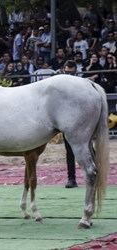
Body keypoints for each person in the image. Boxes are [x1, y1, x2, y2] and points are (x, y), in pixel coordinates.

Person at [61, 60, 78, 188]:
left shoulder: (81, 86)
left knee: (89, 149)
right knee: (69, 151)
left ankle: (97, 174)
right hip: (66, 122)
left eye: (71, 73)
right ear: (63, 70)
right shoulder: (59, 86)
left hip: (81, 121)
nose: (69, 75)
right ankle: (71, 178)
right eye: (67, 72)